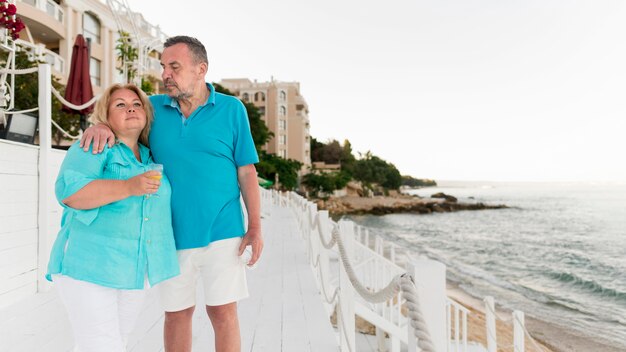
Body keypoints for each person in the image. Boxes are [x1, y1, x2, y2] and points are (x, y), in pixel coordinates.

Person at [80, 36, 263, 352]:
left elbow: (246, 172)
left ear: (200, 69)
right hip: (168, 233)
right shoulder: (151, 108)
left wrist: (255, 227)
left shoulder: (232, 110)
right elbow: (122, 121)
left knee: (223, 313)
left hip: (224, 230)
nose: (165, 74)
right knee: (177, 314)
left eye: (174, 67)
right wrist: (101, 127)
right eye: (163, 66)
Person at [47, 84, 180, 352]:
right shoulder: (94, 145)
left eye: (137, 103)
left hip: (133, 271)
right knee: (101, 345)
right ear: (105, 115)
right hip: (90, 266)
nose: (130, 107)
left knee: (117, 342)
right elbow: (70, 193)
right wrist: (128, 187)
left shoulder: (150, 156)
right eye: (120, 104)